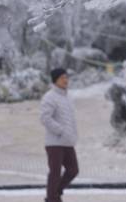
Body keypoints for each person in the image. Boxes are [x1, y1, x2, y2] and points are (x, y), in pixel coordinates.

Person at [40, 68, 79, 202]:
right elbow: (45, 118)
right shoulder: (49, 97)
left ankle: (54, 193)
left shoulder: (68, 97)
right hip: (54, 143)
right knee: (55, 173)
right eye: (62, 77)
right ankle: (52, 198)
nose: (65, 80)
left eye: (66, 77)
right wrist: (60, 131)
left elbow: (71, 120)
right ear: (55, 80)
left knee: (73, 170)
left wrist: (73, 135)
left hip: (67, 141)